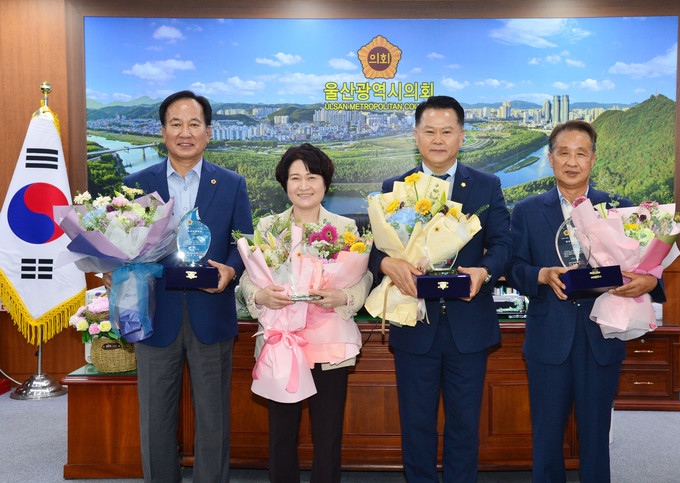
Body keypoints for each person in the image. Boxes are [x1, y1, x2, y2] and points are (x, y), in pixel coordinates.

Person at [505, 120, 666, 482]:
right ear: (550, 159)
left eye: (581, 153)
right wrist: (541, 275)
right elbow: (513, 268)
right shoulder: (527, 210)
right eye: (564, 153)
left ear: (593, 159)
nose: (572, 161)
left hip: (601, 337)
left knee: (596, 437)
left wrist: (649, 281)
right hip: (549, 339)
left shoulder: (619, 207)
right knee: (547, 437)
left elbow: (648, 265)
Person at [368, 96, 512, 482]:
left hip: (469, 325)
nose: (437, 139)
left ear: (461, 136)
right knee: (416, 426)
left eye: (446, 131)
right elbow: (373, 249)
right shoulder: (395, 188)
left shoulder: (486, 186)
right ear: (416, 136)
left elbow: (504, 244)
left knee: (464, 426)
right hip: (416, 324)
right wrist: (385, 263)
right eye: (429, 131)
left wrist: (484, 271)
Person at [118, 90, 253, 482]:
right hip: (155, 315)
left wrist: (230, 271)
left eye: (194, 124)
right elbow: (122, 243)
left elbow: (243, 242)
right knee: (155, 418)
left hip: (211, 313)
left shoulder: (231, 183)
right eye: (175, 124)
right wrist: (117, 267)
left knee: (213, 419)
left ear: (208, 132)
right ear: (162, 132)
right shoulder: (136, 184)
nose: (185, 132)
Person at [239, 143, 373, 483]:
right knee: (282, 436)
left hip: (329, 344)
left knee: (328, 436)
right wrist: (261, 295)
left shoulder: (345, 226)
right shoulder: (269, 226)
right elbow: (247, 277)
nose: (303, 186)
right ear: (284, 183)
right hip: (282, 344)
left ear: (325, 183)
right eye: (295, 178)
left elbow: (365, 276)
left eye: (311, 177)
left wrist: (343, 296)